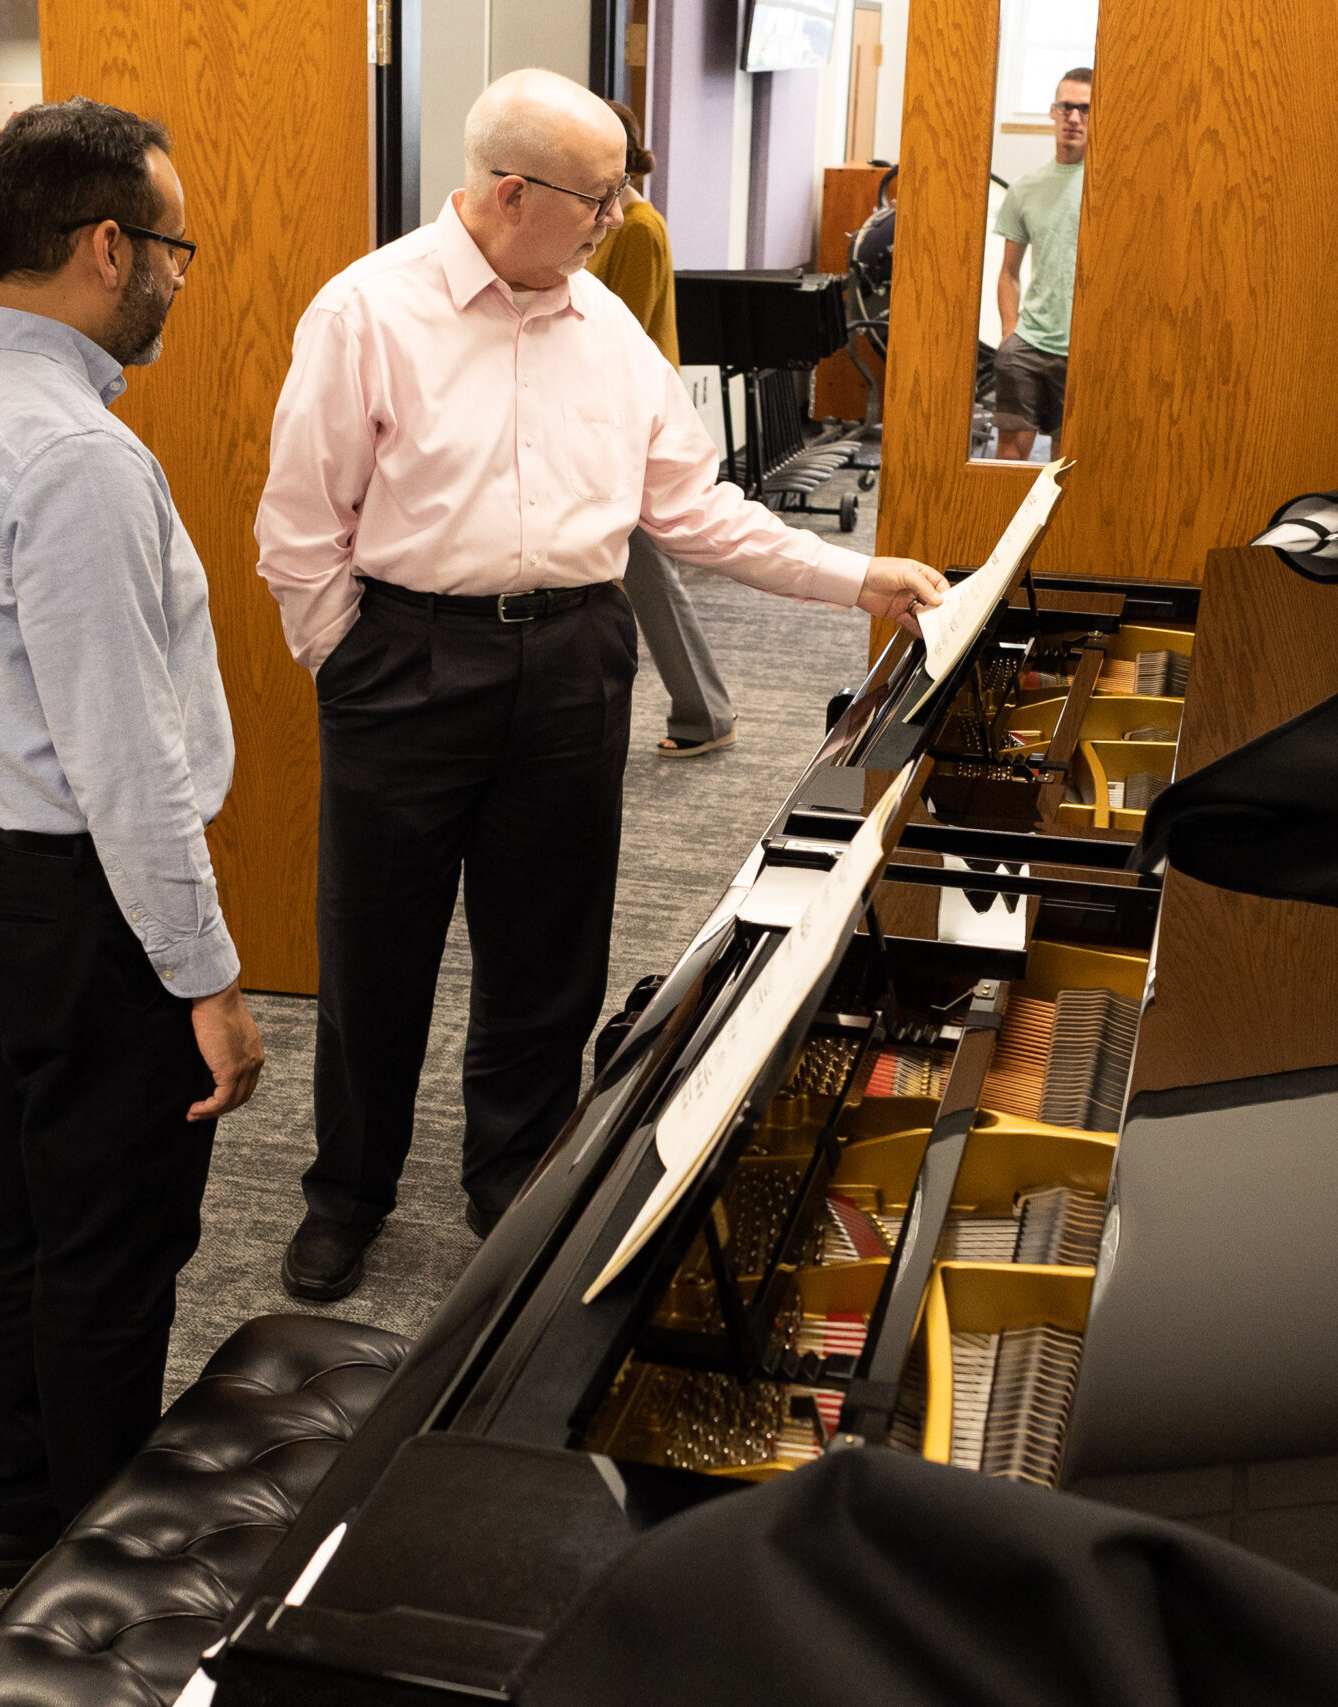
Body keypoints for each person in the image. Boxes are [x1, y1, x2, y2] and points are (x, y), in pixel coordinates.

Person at [254, 70, 945, 1302]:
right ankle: (348, 1191)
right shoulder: (367, 313)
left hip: (574, 659)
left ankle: (511, 1178)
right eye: (601, 194)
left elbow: (692, 513)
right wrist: (350, 666)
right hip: (407, 660)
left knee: (549, 944)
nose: (618, 216)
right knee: (378, 947)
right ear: (511, 193)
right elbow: (301, 531)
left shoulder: (605, 328)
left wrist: (853, 581)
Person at [0, 98, 265, 1587]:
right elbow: (128, 762)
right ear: (108, 247)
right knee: (113, 1245)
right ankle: (107, 1574)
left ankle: (14, 1509)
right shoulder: (77, 458)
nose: (180, 274)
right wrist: (210, 979)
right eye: (174, 245)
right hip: (94, 892)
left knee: (24, 1208)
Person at [588, 98, 737, 758]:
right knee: (645, 569)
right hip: (606, 421)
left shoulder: (639, 229)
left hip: (628, 422)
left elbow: (619, 336)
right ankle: (703, 709)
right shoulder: (621, 225)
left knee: (649, 567)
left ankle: (704, 711)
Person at [991, 66, 1092, 462]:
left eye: (1085, 109)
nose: (1074, 118)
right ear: (1052, 111)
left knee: (1065, 473)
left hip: (1084, 351)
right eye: (1066, 107)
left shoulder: (1109, 187)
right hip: (1028, 346)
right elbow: (1007, 273)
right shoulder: (1026, 189)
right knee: (1008, 464)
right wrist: (1009, 333)